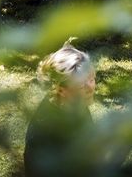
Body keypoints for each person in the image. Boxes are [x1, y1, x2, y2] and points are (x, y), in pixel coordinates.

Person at [24, 39, 96, 177]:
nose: (91, 88)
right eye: (82, 85)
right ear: (61, 89)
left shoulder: (73, 105)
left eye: (92, 79)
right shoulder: (49, 131)